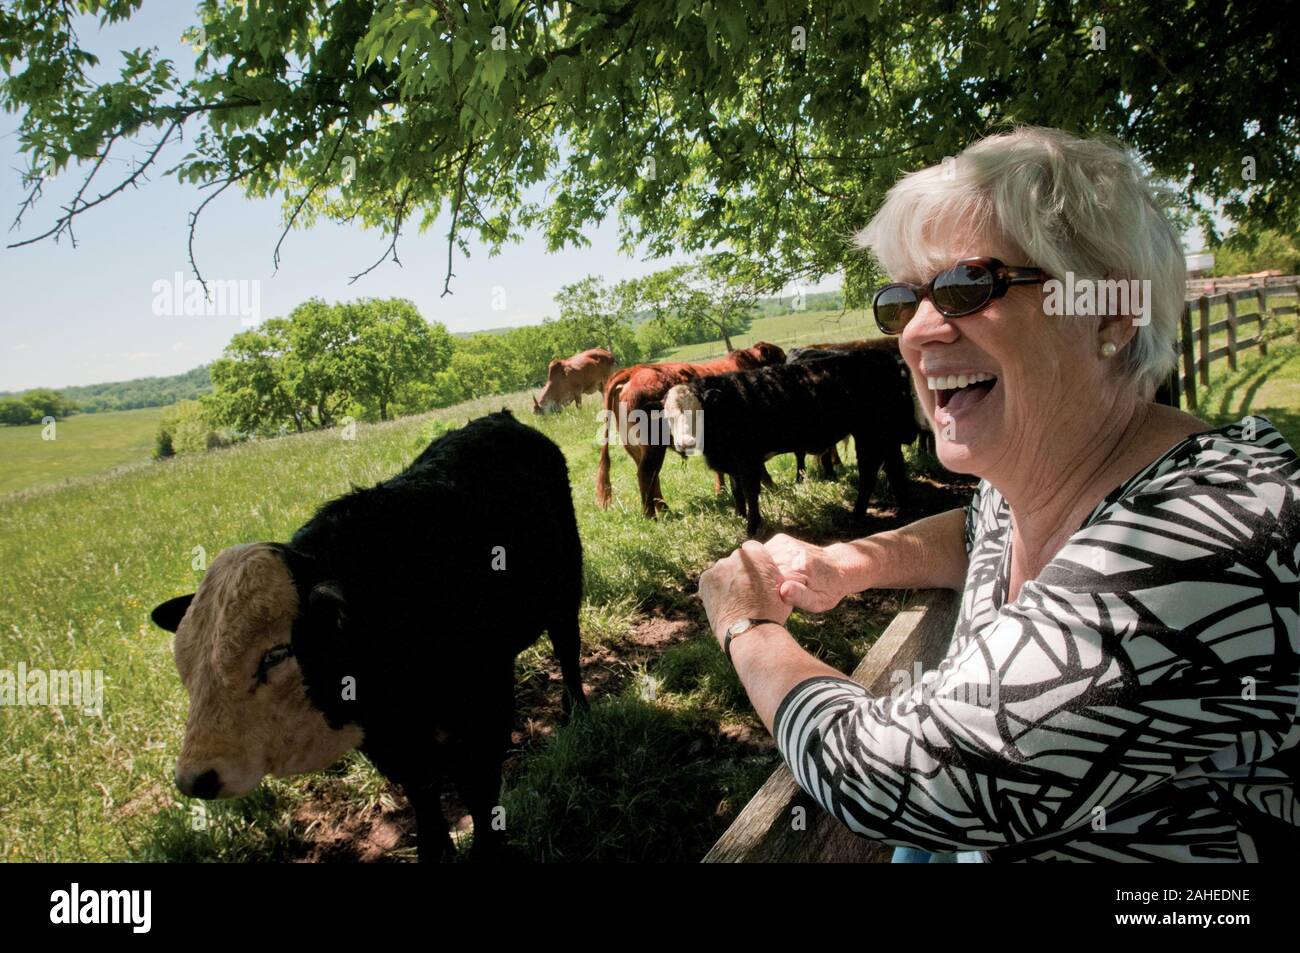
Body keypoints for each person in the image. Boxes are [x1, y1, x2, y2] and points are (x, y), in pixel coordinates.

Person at [697, 126, 1300, 862]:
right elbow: (977, 528)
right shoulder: (1050, 483)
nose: (916, 333)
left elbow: (894, 775)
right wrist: (850, 563)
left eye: (965, 287)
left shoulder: (1202, 532)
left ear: (1109, 311)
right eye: (901, 300)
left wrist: (748, 626)